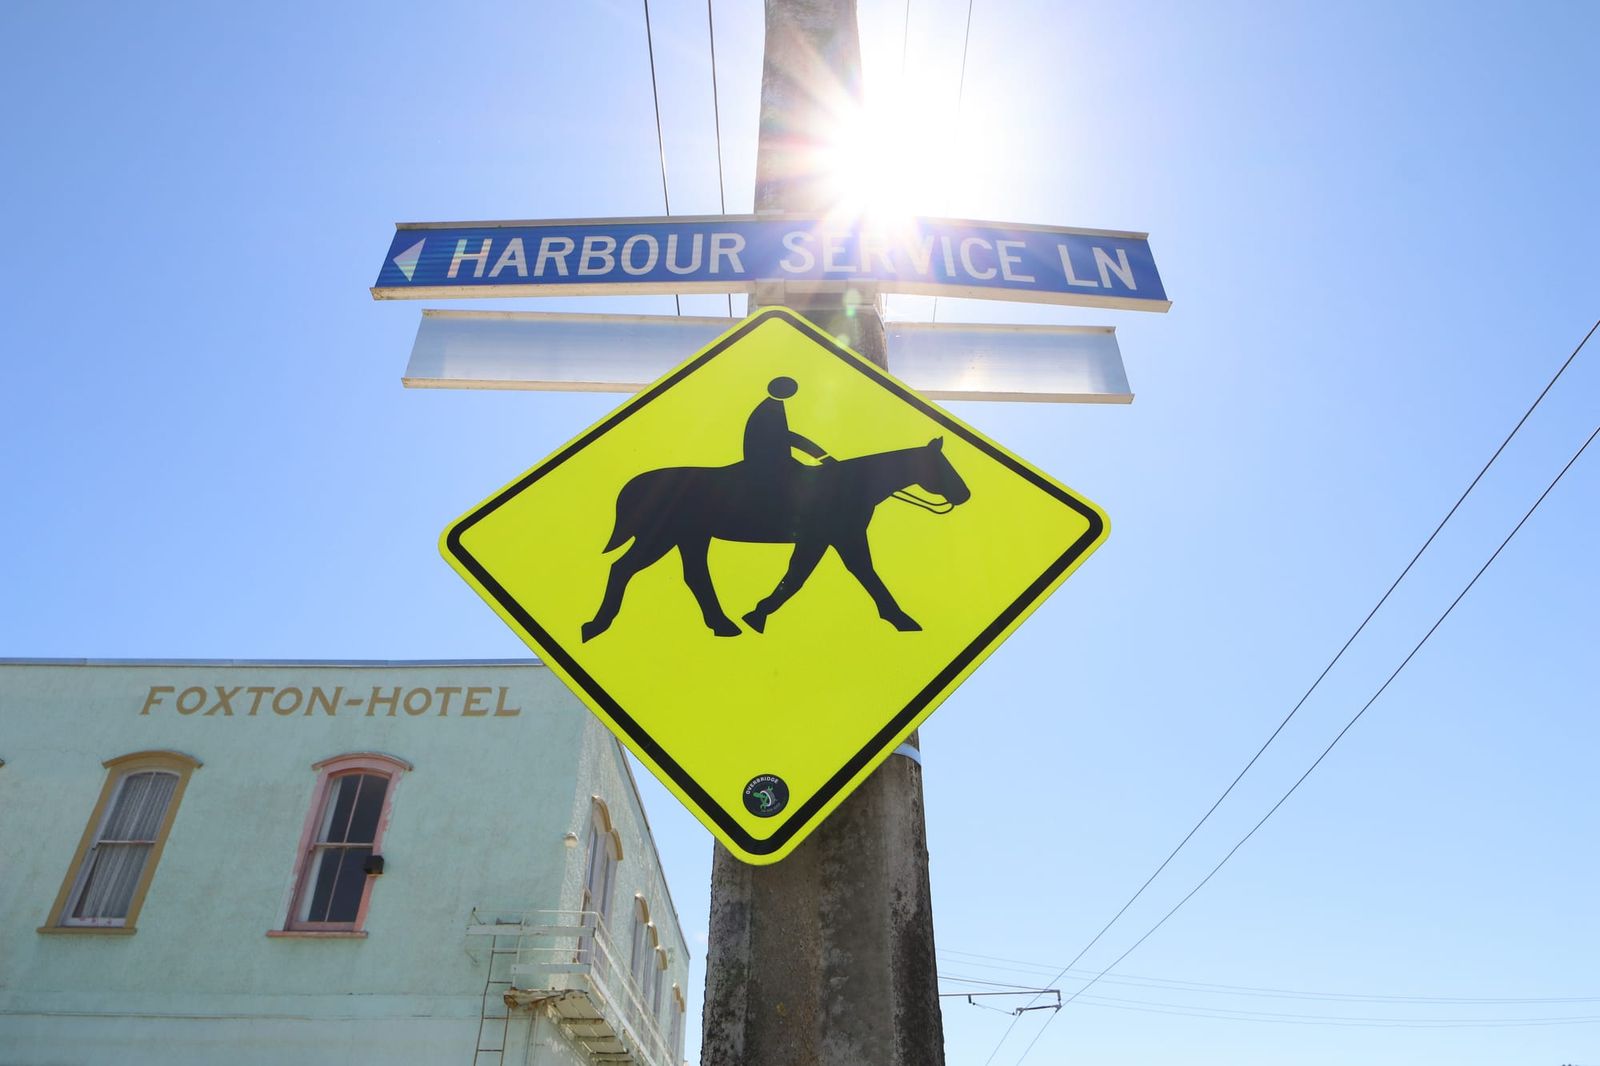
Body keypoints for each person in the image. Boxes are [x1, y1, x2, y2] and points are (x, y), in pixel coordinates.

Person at [741, 376, 831, 475]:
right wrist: (823, 457)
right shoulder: (768, 411)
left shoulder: (773, 408)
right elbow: (790, 438)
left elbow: (791, 438)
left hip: (773, 461)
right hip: (771, 463)